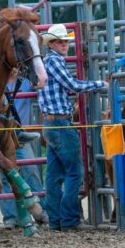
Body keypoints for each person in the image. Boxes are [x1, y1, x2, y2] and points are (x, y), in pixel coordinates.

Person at [38, 23, 108, 231]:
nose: (65, 44)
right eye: (60, 41)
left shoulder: (45, 62)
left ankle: (56, 220)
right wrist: (99, 84)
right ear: (51, 43)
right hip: (60, 122)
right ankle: (70, 220)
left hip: (50, 123)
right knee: (74, 172)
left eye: (66, 41)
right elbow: (73, 85)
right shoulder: (54, 62)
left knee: (53, 174)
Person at [0, 69, 49, 229]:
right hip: (2, 136)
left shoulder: (26, 82)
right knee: (5, 176)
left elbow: (41, 83)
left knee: (31, 171)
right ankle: (10, 217)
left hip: (20, 135)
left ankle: (42, 212)